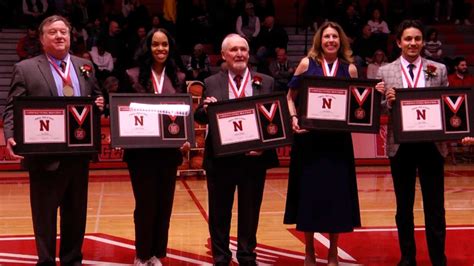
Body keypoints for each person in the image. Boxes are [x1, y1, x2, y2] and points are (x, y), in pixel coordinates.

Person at [2, 15, 104, 265]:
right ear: (42, 38)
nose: (60, 36)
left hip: (78, 155)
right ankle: (45, 261)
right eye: (53, 32)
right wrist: (11, 135)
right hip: (44, 155)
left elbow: (97, 97)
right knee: (45, 216)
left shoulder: (85, 66)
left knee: (76, 214)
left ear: (70, 37)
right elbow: (12, 107)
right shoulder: (26, 68)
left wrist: (100, 104)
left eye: (64, 32)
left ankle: (72, 260)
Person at [284, 21, 379, 266]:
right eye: (326, 36)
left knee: (337, 196)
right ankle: (309, 251)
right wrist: (294, 117)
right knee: (309, 196)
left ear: (341, 41)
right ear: (320, 40)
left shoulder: (350, 69)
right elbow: (289, 97)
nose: (330, 41)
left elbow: (359, 106)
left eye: (335, 37)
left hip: (338, 143)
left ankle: (333, 251)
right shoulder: (307, 64)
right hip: (309, 141)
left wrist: (373, 94)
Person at [194, 33, 279, 266]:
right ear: (223, 55)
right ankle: (221, 257)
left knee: (250, 212)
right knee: (219, 212)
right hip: (221, 159)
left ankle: (247, 255)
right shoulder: (211, 82)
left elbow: (274, 122)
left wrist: (264, 146)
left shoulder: (266, 81)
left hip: (254, 159)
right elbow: (199, 116)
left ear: (249, 54)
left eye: (243, 49)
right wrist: (205, 108)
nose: (239, 53)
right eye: (233, 50)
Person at [375, 20, 449, 266]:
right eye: (408, 39)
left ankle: (438, 258)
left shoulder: (438, 69)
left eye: (417, 38)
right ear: (398, 42)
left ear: (423, 42)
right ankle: (408, 257)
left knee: (435, 206)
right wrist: (387, 100)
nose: (413, 43)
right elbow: (379, 108)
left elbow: (447, 106)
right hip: (401, 145)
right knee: (403, 206)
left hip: (432, 144)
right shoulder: (385, 71)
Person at [123, 28, 189, 266]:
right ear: (147, 47)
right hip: (140, 154)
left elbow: (183, 113)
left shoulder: (179, 77)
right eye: (155, 44)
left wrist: (185, 136)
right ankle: (141, 254)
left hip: (168, 153)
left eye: (165, 45)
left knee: (164, 204)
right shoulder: (131, 75)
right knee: (145, 204)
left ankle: (155, 253)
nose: (160, 49)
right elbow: (125, 111)